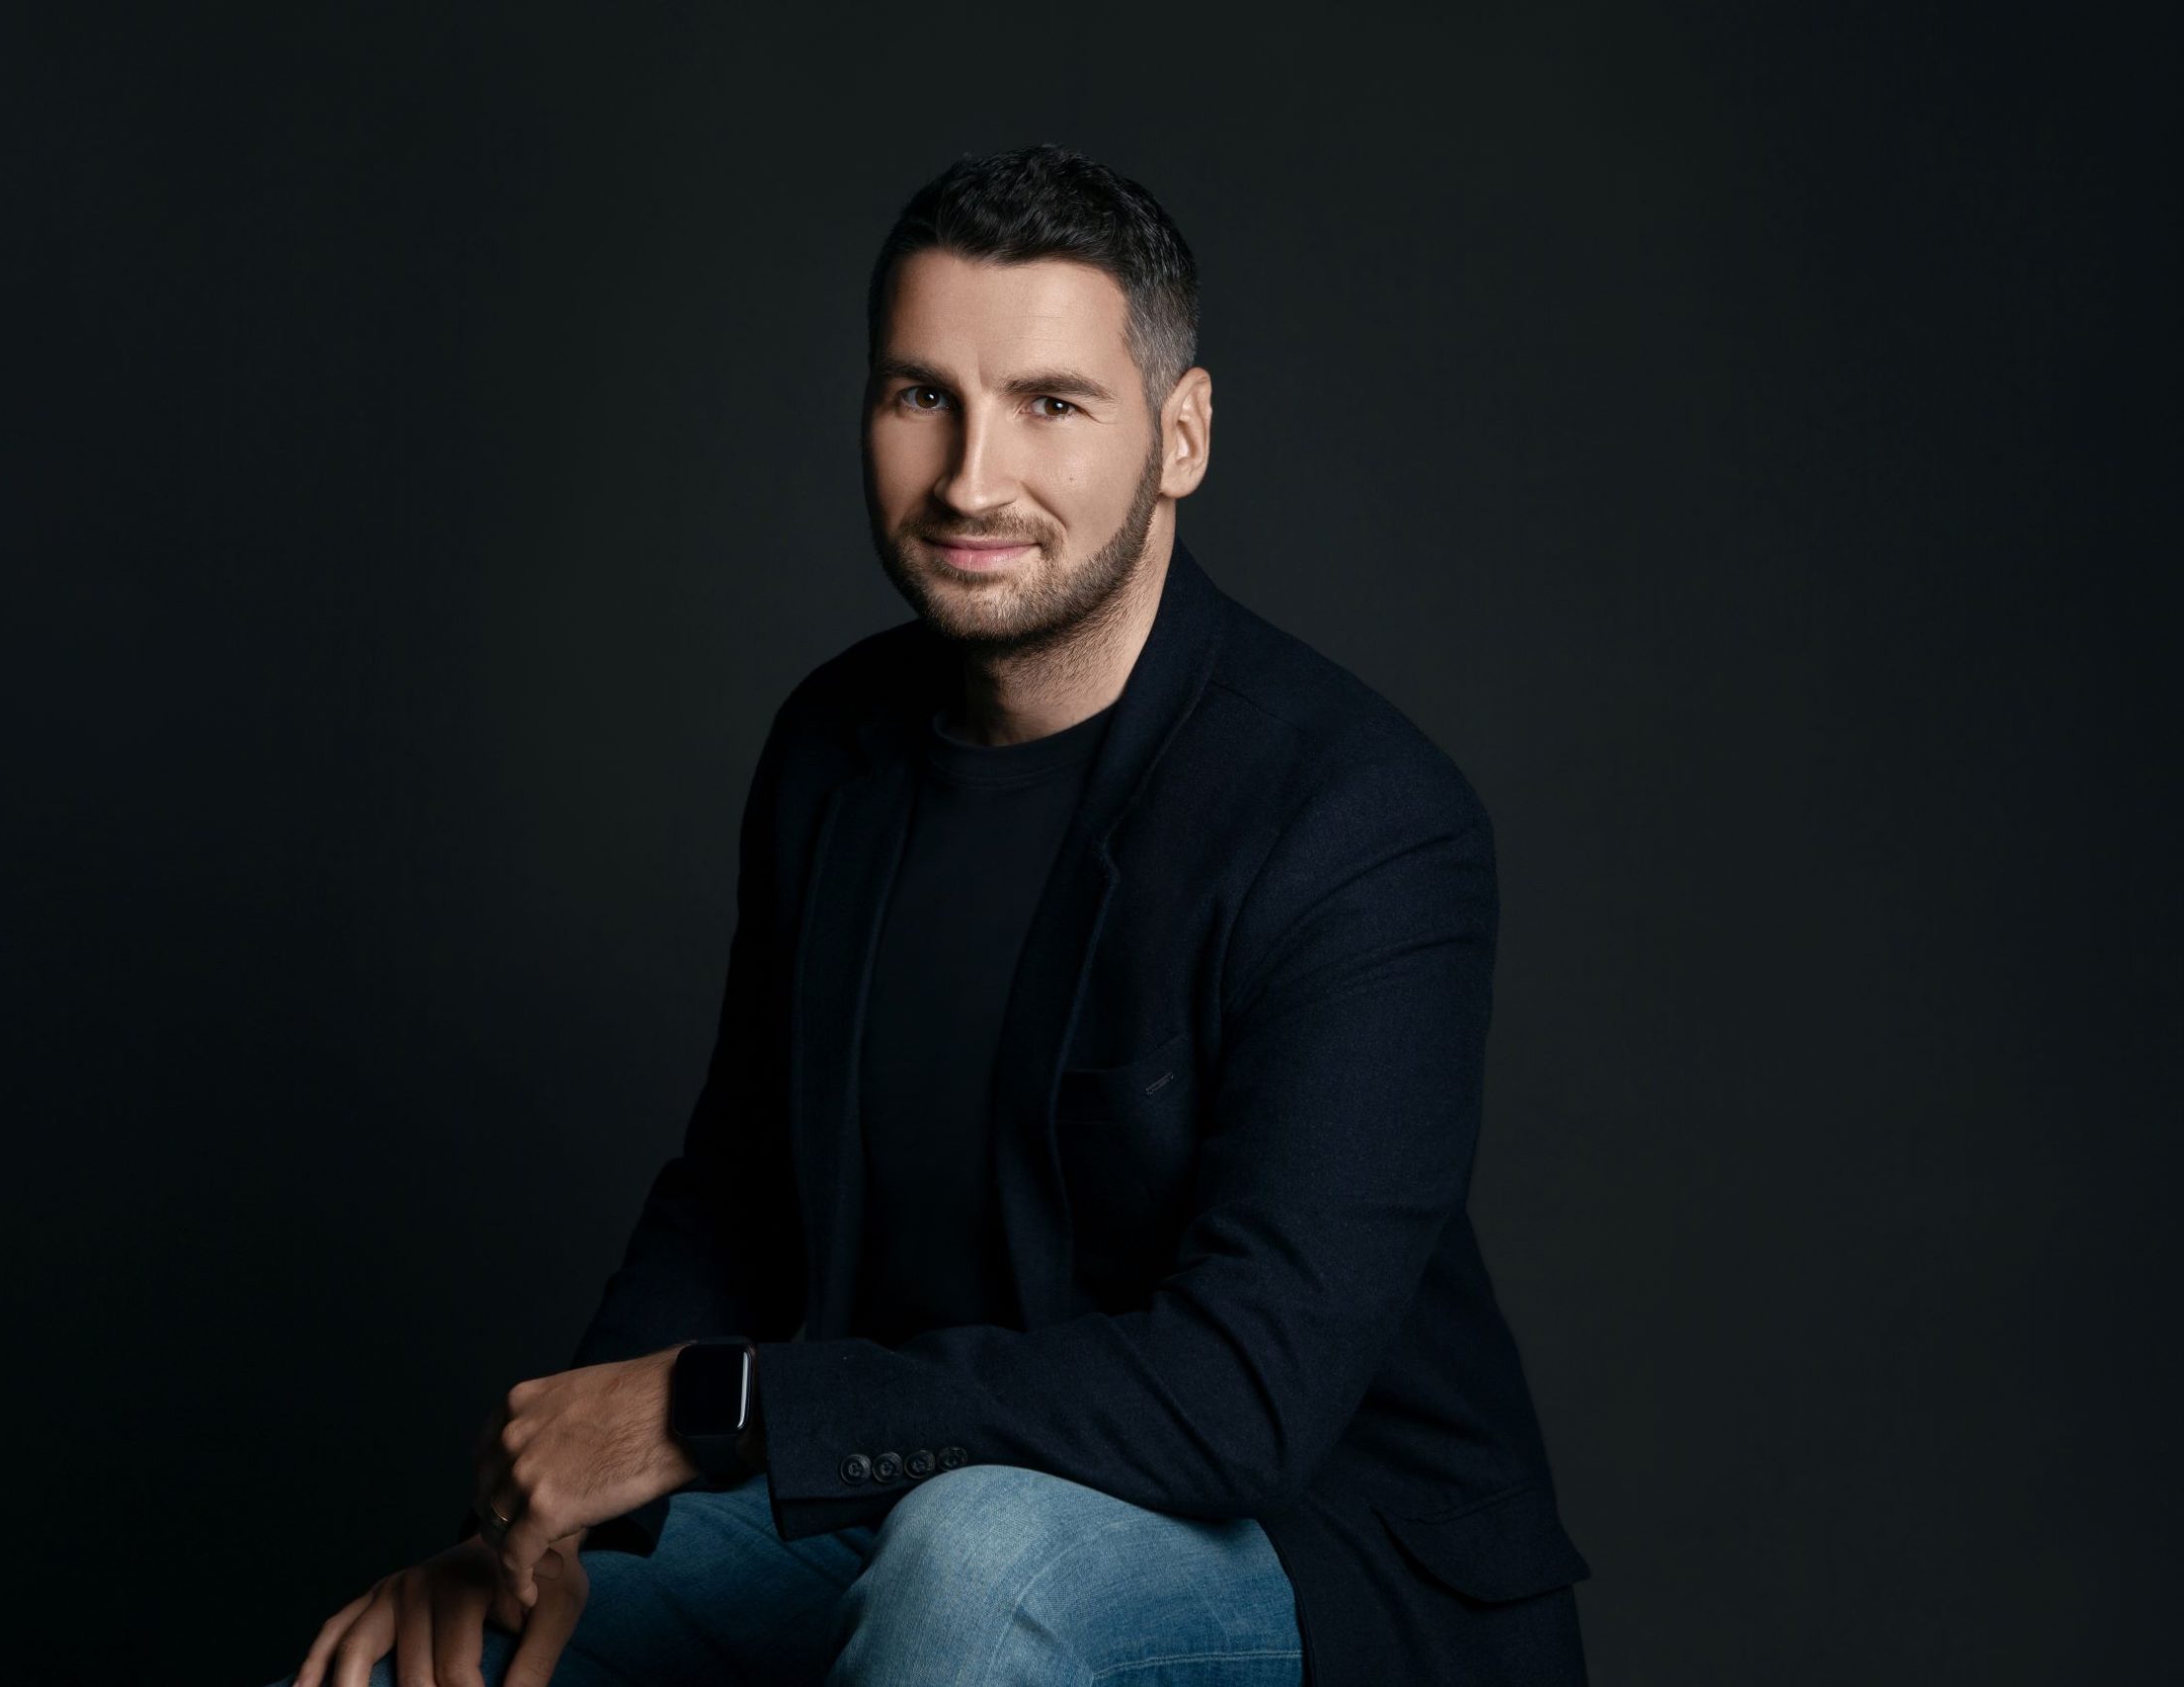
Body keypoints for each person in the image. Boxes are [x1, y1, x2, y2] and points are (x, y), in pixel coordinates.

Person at [274, 141, 1590, 1687]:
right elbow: (736, 1201)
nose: (970, 480)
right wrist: (537, 1521)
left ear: (1181, 436)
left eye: (1049, 405)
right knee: (437, 1667)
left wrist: (719, 1410)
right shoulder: (835, 749)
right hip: (910, 1491)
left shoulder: (1357, 820)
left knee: (978, 1569)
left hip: (1315, 1554)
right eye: (922, 397)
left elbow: (1246, 1395)